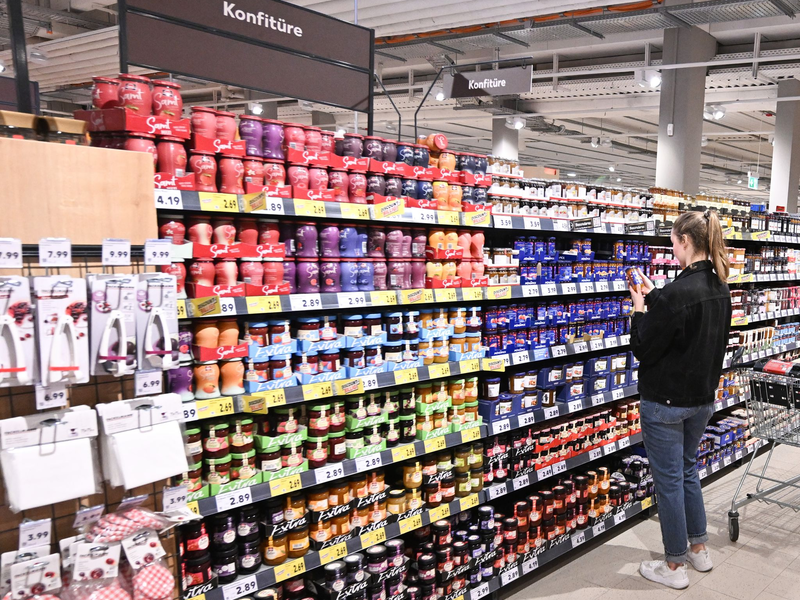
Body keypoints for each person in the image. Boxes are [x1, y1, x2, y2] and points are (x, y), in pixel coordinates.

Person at [628, 209, 732, 590]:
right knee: (688, 471)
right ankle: (699, 548)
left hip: (665, 404)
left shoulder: (677, 294)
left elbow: (642, 346)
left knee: (669, 481)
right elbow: (686, 322)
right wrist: (656, 293)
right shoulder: (720, 287)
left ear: (685, 241)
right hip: (702, 400)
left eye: (673, 242)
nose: (672, 250)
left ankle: (673, 567)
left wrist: (639, 307)